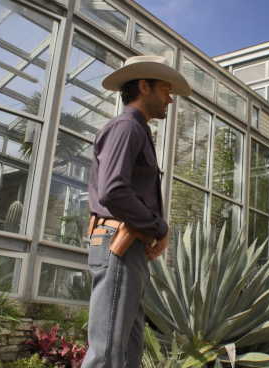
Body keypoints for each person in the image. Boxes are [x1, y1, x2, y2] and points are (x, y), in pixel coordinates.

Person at [82, 55, 191, 368]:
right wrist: (158, 227)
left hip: (129, 247)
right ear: (144, 86)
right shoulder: (127, 127)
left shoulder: (136, 130)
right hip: (120, 244)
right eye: (166, 91)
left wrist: (155, 229)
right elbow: (113, 190)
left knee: (128, 350)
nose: (170, 99)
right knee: (108, 353)